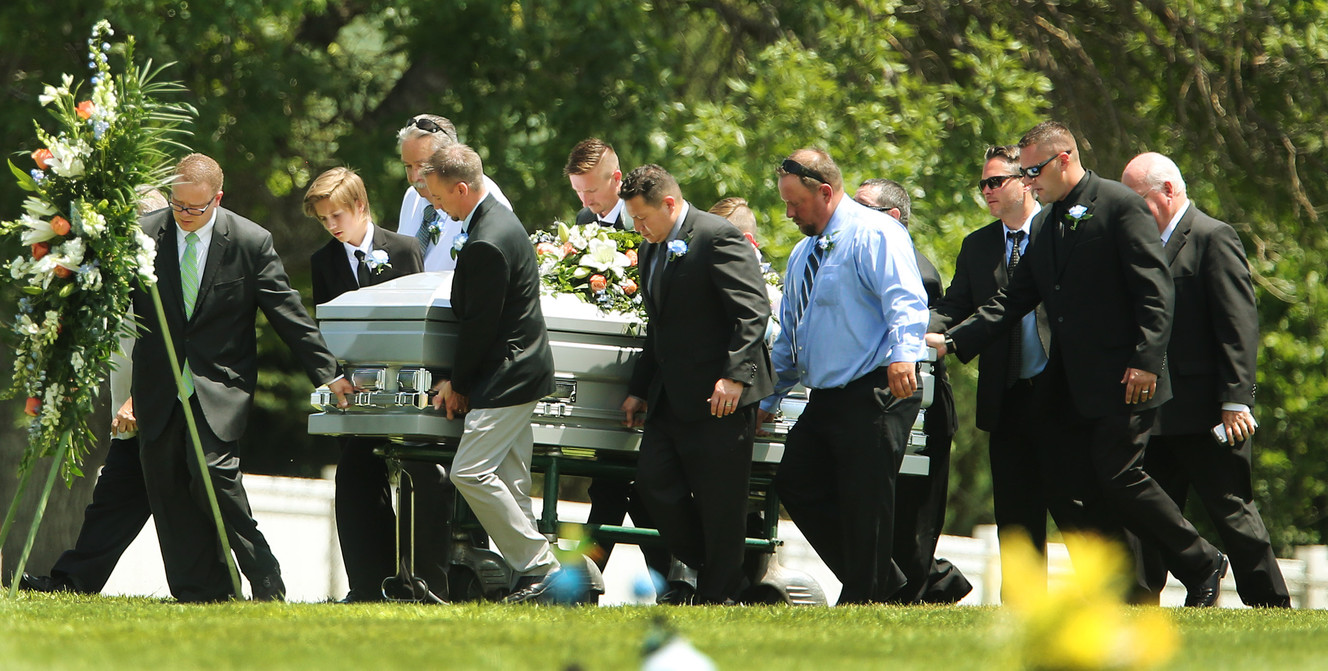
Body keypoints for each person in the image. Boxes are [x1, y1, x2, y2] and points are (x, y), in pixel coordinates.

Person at [927, 121, 1229, 607]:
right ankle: (1123, 592)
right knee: (1075, 484)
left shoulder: (1120, 204)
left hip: (1129, 378)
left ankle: (1200, 559)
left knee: (1118, 475)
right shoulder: (1048, 222)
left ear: (1064, 158)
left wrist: (1147, 360)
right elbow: (1015, 298)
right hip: (1071, 385)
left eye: (1033, 171)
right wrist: (951, 340)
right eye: (1022, 173)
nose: (1027, 182)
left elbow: (1155, 290)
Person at [130, 154, 353, 602]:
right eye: (177, 205)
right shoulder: (143, 235)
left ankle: (264, 574)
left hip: (218, 386)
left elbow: (287, 313)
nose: (184, 216)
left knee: (212, 474)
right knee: (167, 485)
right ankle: (200, 591)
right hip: (157, 384)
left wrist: (327, 374)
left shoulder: (251, 241)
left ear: (218, 198)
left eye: (196, 208)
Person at [758, 148, 929, 604]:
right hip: (828, 395)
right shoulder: (801, 253)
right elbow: (790, 338)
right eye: (785, 203)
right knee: (795, 479)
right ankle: (883, 581)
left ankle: (864, 595)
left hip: (878, 385)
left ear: (826, 191)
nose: (789, 213)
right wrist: (768, 400)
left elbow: (906, 300)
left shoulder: (876, 232)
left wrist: (904, 355)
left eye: (796, 203)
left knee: (865, 499)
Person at [1121, 152, 1291, 608]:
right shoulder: (1140, 245)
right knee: (1152, 517)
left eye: (1138, 198)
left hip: (1210, 411)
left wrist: (1237, 399)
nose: (1131, 209)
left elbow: (1239, 327)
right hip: (1156, 411)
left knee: (1232, 510)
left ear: (1169, 191)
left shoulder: (1214, 237)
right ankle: (1140, 607)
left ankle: (1270, 604)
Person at [619, 165, 773, 604]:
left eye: (643, 218)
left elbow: (752, 311)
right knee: (653, 484)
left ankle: (718, 594)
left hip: (720, 394)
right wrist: (639, 388)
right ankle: (717, 568)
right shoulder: (652, 247)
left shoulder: (717, 235)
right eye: (633, 218)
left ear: (669, 204)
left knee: (721, 502)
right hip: (671, 395)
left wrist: (734, 376)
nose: (638, 227)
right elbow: (660, 327)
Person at [420, 143, 566, 603]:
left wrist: (458, 384)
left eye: (441, 198)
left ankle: (543, 566)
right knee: (512, 478)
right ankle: (534, 582)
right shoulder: (497, 222)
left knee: (470, 472)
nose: (437, 207)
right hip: (521, 367)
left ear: (462, 188)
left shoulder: (485, 239)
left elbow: (479, 325)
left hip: (508, 372)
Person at [19, 189, 170, 594]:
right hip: (131, 415)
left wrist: (140, 399)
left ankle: (245, 584)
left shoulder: (170, 275)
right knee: (113, 501)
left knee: (206, 506)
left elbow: (179, 352)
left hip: (171, 412)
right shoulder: (119, 274)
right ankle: (74, 580)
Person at [304, 167, 443, 603]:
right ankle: (368, 583)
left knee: (423, 475)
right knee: (355, 475)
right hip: (356, 393)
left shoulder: (403, 250)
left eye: (337, 216)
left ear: (361, 206)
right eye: (324, 220)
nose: (332, 227)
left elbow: (422, 319)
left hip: (406, 387)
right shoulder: (323, 262)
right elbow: (326, 328)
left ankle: (425, 583)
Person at [928, 145, 1061, 593]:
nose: (986, 191)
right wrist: (916, 332)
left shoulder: (1059, 231)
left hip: (1061, 389)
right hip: (1007, 396)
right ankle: (1023, 607)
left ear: (1025, 180)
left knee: (1075, 506)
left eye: (995, 181)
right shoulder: (979, 245)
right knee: (1016, 516)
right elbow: (953, 307)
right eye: (982, 184)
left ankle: (1117, 601)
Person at [853, 178, 972, 604]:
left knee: (916, 518)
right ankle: (936, 584)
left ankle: (923, 589)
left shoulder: (912, 267)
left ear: (892, 217)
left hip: (921, 405)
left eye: (861, 205)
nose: (851, 211)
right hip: (891, 400)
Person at [396, 114, 512, 272]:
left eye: (422, 165)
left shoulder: (485, 201)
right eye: (408, 166)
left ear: (448, 156)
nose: (414, 177)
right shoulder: (412, 197)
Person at [566, 138, 631, 230]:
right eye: (578, 191)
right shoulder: (583, 218)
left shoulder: (643, 216)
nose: (585, 203)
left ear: (616, 178)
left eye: (591, 190)